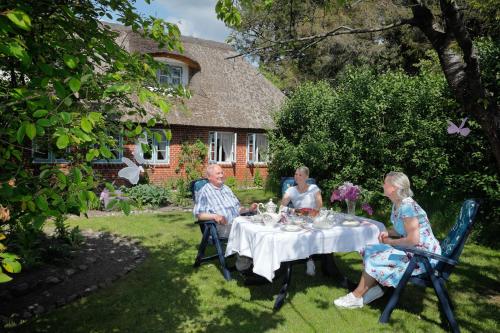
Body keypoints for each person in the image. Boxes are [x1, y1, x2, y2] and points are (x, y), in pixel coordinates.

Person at [333, 171, 442, 309]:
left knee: (376, 257)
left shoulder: (408, 207)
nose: (383, 185)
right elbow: (401, 229)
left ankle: (356, 296)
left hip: (423, 256)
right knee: (370, 249)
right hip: (413, 249)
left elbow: (413, 239)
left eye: (385, 183)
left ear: (395, 188)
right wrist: (388, 232)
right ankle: (375, 288)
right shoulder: (398, 204)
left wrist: (390, 241)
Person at [193, 164, 258, 271]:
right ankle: (244, 267)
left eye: (222, 172)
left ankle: (257, 261)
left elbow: (237, 209)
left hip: (237, 222)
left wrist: (249, 209)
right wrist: (215, 216)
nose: (221, 175)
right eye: (218, 173)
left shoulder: (226, 188)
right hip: (220, 226)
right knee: (244, 232)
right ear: (209, 177)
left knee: (257, 227)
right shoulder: (204, 192)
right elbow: (198, 214)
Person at [280, 166, 323, 276]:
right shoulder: (291, 190)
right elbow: (282, 206)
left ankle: (310, 260)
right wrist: (294, 211)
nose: (297, 177)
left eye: (300, 175)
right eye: (296, 174)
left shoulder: (313, 188)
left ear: (306, 177)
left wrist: (315, 212)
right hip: (298, 218)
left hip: (314, 218)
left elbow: (319, 204)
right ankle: (305, 259)